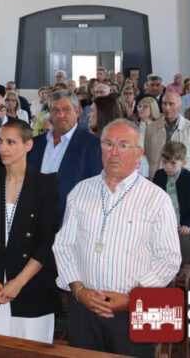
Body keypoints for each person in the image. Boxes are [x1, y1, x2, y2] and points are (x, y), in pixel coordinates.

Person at [53, 119, 181, 358]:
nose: (114, 152)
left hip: (135, 309)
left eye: (123, 145)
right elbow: (63, 246)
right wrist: (78, 290)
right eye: (108, 144)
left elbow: (169, 258)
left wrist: (132, 298)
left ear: (139, 154)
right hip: (85, 307)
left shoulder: (156, 199)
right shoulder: (81, 191)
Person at [0, 120, 58, 343]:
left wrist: (18, 283)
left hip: (32, 288)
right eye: (0, 141)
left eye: (11, 142)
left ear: (28, 145)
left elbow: (46, 243)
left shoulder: (45, 185)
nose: (3, 147)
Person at [28, 90, 102, 222]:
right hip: (34, 220)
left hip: (71, 222)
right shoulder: (35, 144)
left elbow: (96, 188)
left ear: (77, 111)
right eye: (55, 110)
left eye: (66, 109)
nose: (60, 115)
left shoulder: (93, 145)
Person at [143, 91, 190, 177]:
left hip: (185, 177)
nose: (167, 108)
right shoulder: (151, 128)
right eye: (164, 104)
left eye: (171, 104)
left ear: (179, 106)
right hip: (159, 177)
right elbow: (149, 155)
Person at [153, 142, 190, 235]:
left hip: (185, 224)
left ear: (183, 163)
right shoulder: (159, 175)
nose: (168, 167)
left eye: (173, 163)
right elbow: (154, 201)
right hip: (162, 224)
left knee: (184, 237)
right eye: (164, 162)